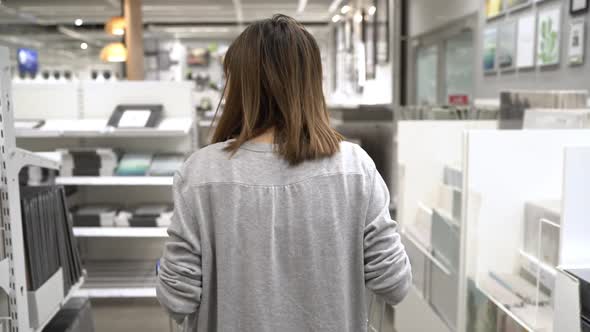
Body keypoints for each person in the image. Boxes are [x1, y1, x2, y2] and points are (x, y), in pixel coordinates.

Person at [157, 14, 411, 332]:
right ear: (311, 83)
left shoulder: (200, 173)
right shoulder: (355, 168)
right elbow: (395, 283)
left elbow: (176, 299)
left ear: (238, 85)